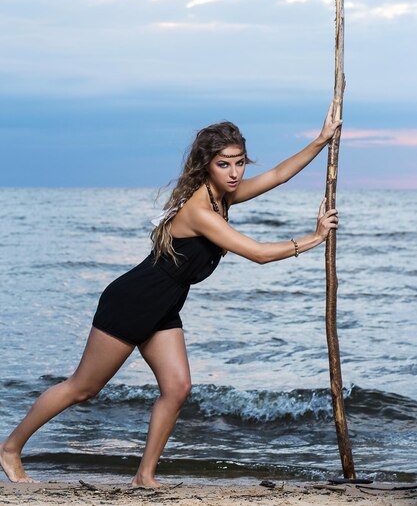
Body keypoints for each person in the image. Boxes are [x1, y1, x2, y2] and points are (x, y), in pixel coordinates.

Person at [0, 104, 341, 487]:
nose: (234, 173)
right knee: (83, 388)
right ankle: (10, 449)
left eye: (240, 163)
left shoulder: (221, 198)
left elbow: (277, 175)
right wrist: (313, 238)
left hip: (163, 306)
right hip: (133, 300)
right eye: (224, 164)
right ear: (206, 165)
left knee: (177, 388)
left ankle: (144, 476)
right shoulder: (200, 209)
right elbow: (258, 254)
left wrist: (321, 140)